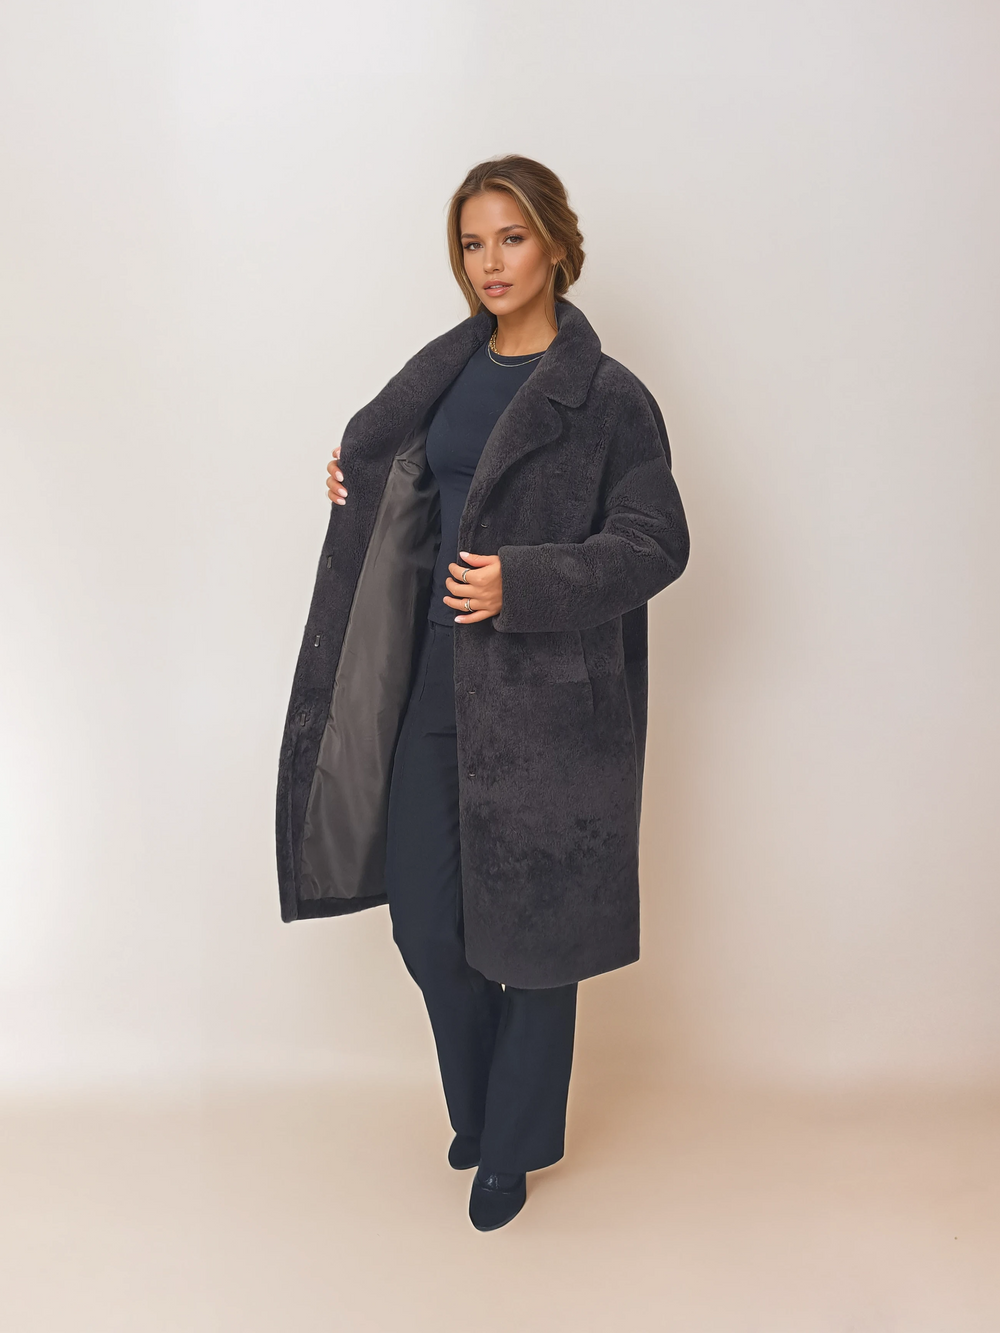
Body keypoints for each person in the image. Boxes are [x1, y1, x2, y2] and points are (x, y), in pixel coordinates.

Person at [275, 155, 689, 1231]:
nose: (491, 262)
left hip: (549, 705)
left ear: (554, 244)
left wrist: (525, 582)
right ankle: (493, 1103)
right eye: (473, 242)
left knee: (539, 940)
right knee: (427, 926)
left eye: (511, 237)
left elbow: (657, 542)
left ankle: (508, 1146)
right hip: (433, 681)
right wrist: (359, 481)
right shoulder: (446, 370)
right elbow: (409, 483)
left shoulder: (609, 399)